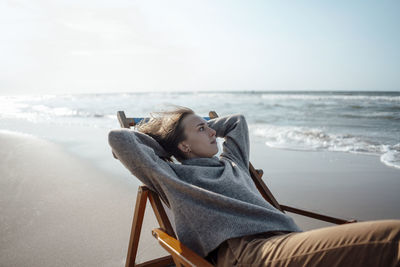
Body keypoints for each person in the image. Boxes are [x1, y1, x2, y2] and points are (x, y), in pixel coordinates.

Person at [108, 106, 400, 267]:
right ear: (183, 144)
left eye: (210, 127)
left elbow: (237, 121)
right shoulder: (174, 177)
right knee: (392, 239)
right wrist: (167, 142)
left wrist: (202, 127)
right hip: (251, 254)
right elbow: (121, 139)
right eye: (202, 129)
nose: (213, 132)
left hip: (287, 242)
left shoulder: (233, 162)